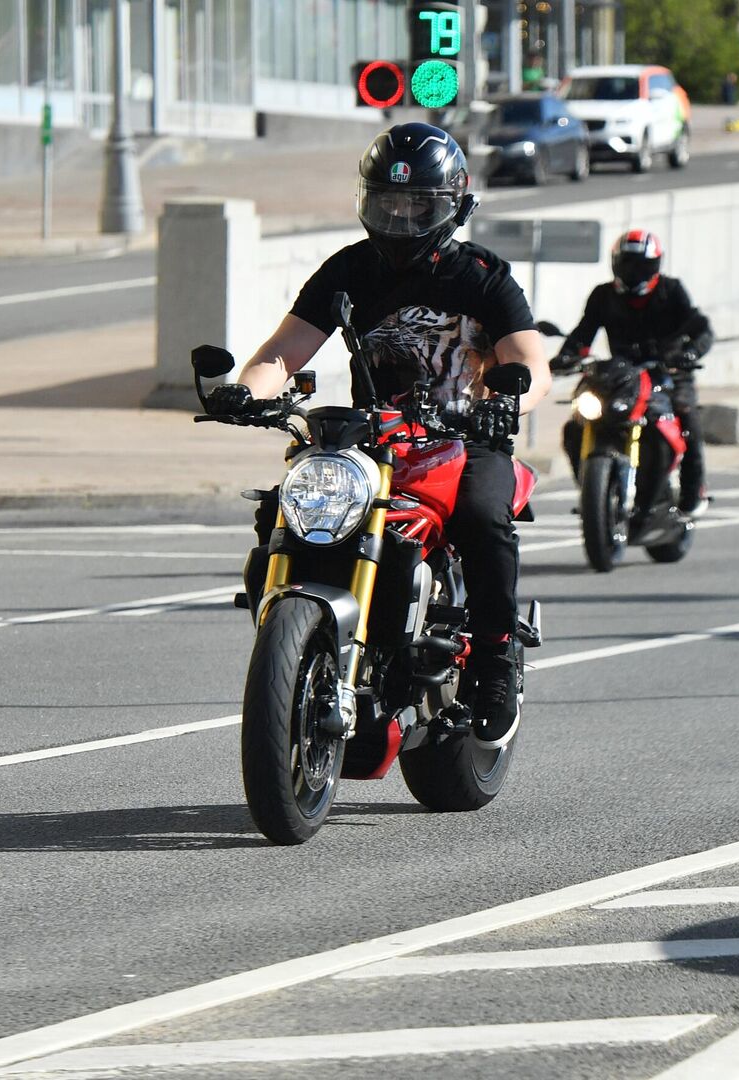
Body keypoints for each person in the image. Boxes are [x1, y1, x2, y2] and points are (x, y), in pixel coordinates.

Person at [208, 122, 552, 747]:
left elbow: (531, 360)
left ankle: (497, 657)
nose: (399, 217)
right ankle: (293, 639)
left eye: (417, 203)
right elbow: (283, 353)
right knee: (286, 504)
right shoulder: (350, 269)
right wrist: (244, 391)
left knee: (481, 514)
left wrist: (507, 402)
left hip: (466, 435)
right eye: (387, 203)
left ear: (451, 204)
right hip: (377, 437)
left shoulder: (482, 277)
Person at [551, 229, 713, 516]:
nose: (634, 270)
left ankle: (693, 493)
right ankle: (592, 488)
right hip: (621, 375)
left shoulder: (671, 290)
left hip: (669, 371)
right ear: (615, 263)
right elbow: (583, 333)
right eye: (627, 263)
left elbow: (700, 327)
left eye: (641, 264)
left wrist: (690, 353)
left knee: (688, 420)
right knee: (576, 423)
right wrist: (565, 357)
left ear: (655, 265)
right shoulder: (603, 295)